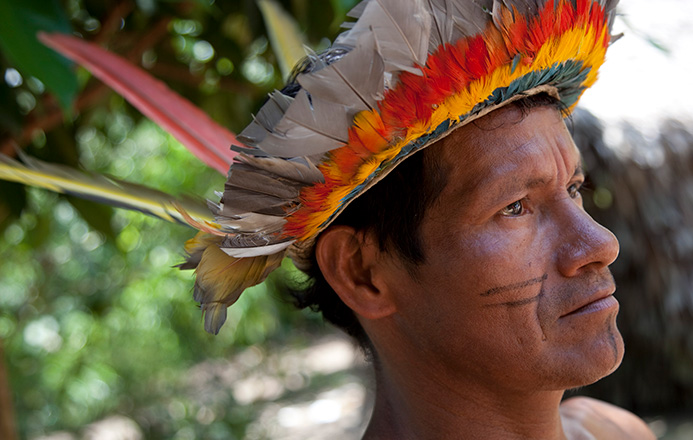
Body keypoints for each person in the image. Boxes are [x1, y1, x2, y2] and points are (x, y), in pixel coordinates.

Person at [181, 0, 656, 437]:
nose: (598, 244)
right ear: (362, 272)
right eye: (514, 207)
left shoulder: (616, 432)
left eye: (573, 188)